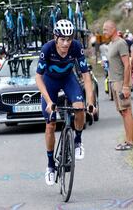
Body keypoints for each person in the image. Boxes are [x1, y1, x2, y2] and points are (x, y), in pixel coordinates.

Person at [35, 19, 94, 186]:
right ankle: (50, 165)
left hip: (68, 79)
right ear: (55, 37)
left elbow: (86, 76)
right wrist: (48, 101)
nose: (66, 43)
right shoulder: (47, 49)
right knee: (50, 124)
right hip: (50, 82)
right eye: (62, 39)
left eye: (69, 39)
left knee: (80, 108)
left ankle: (78, 141)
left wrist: (90, 101)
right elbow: (38, 78)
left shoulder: (76, 47)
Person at [103, 20, 133, 151]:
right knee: (123, 112)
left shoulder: (121, 43)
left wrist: (126, 86)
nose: (104, 32)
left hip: (121, 82)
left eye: (106, 29)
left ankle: (131, 142)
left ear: (113, 29)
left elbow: (127, 65)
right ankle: (127, 140)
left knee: (126, 111)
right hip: (114, 81)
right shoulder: (111, 44)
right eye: (103, 29)